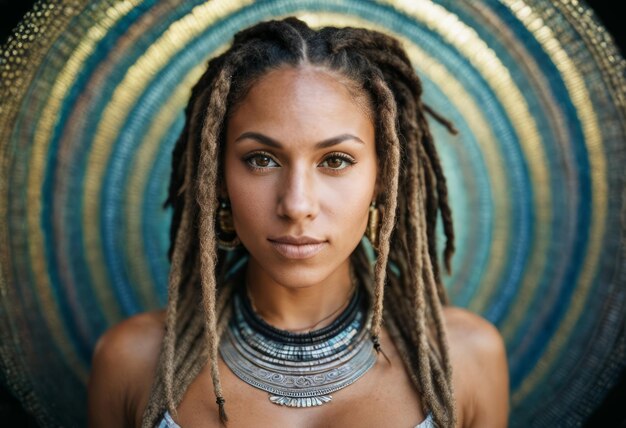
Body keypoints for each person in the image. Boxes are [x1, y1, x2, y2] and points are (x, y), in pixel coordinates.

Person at [87, 17, 509, 428]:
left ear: (384, 179)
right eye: (261, 160)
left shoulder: (465, 358)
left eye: (336, 161)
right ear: (215, 178)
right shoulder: (132, 362)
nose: (296, 204)